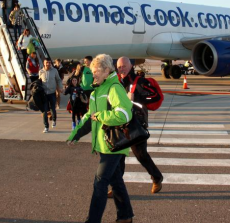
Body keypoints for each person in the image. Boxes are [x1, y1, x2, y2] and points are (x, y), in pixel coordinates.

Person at [67, 54, 134, 223]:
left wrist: (102, 116)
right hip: (104, 145)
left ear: (106, 70)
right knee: (116, 181)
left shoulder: (114, 88)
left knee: (100, 183)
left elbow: (124, 114)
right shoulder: (98, 89)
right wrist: (76, 134)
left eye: (96, 71)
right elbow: (90, 116)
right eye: (91, 71)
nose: (93, 74)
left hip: (114, 144)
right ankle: (125, 216)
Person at [116, 56, 163, 194]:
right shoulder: (116, 83)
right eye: (119, 67)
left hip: (137, 125)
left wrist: (137, 98)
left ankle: (157, 178)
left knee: (141, 155)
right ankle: (117, 187)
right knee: (119, 157)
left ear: (131, 66)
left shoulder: (140, 82)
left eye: (124, 66)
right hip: (120, 125)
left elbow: (156, 97)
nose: (122, 69)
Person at [39, 58, 63, 133]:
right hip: (44, 94)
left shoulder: (54, 71)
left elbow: (58, 80)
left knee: (53, 108)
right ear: (44, 63)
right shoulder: (41, 71)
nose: (48, 64)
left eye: (49, 62)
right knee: (44, 111)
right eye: (47, 62)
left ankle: (54, 120)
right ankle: (46, 126)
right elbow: (39, 81)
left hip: (52, 93)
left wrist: (60, 87)